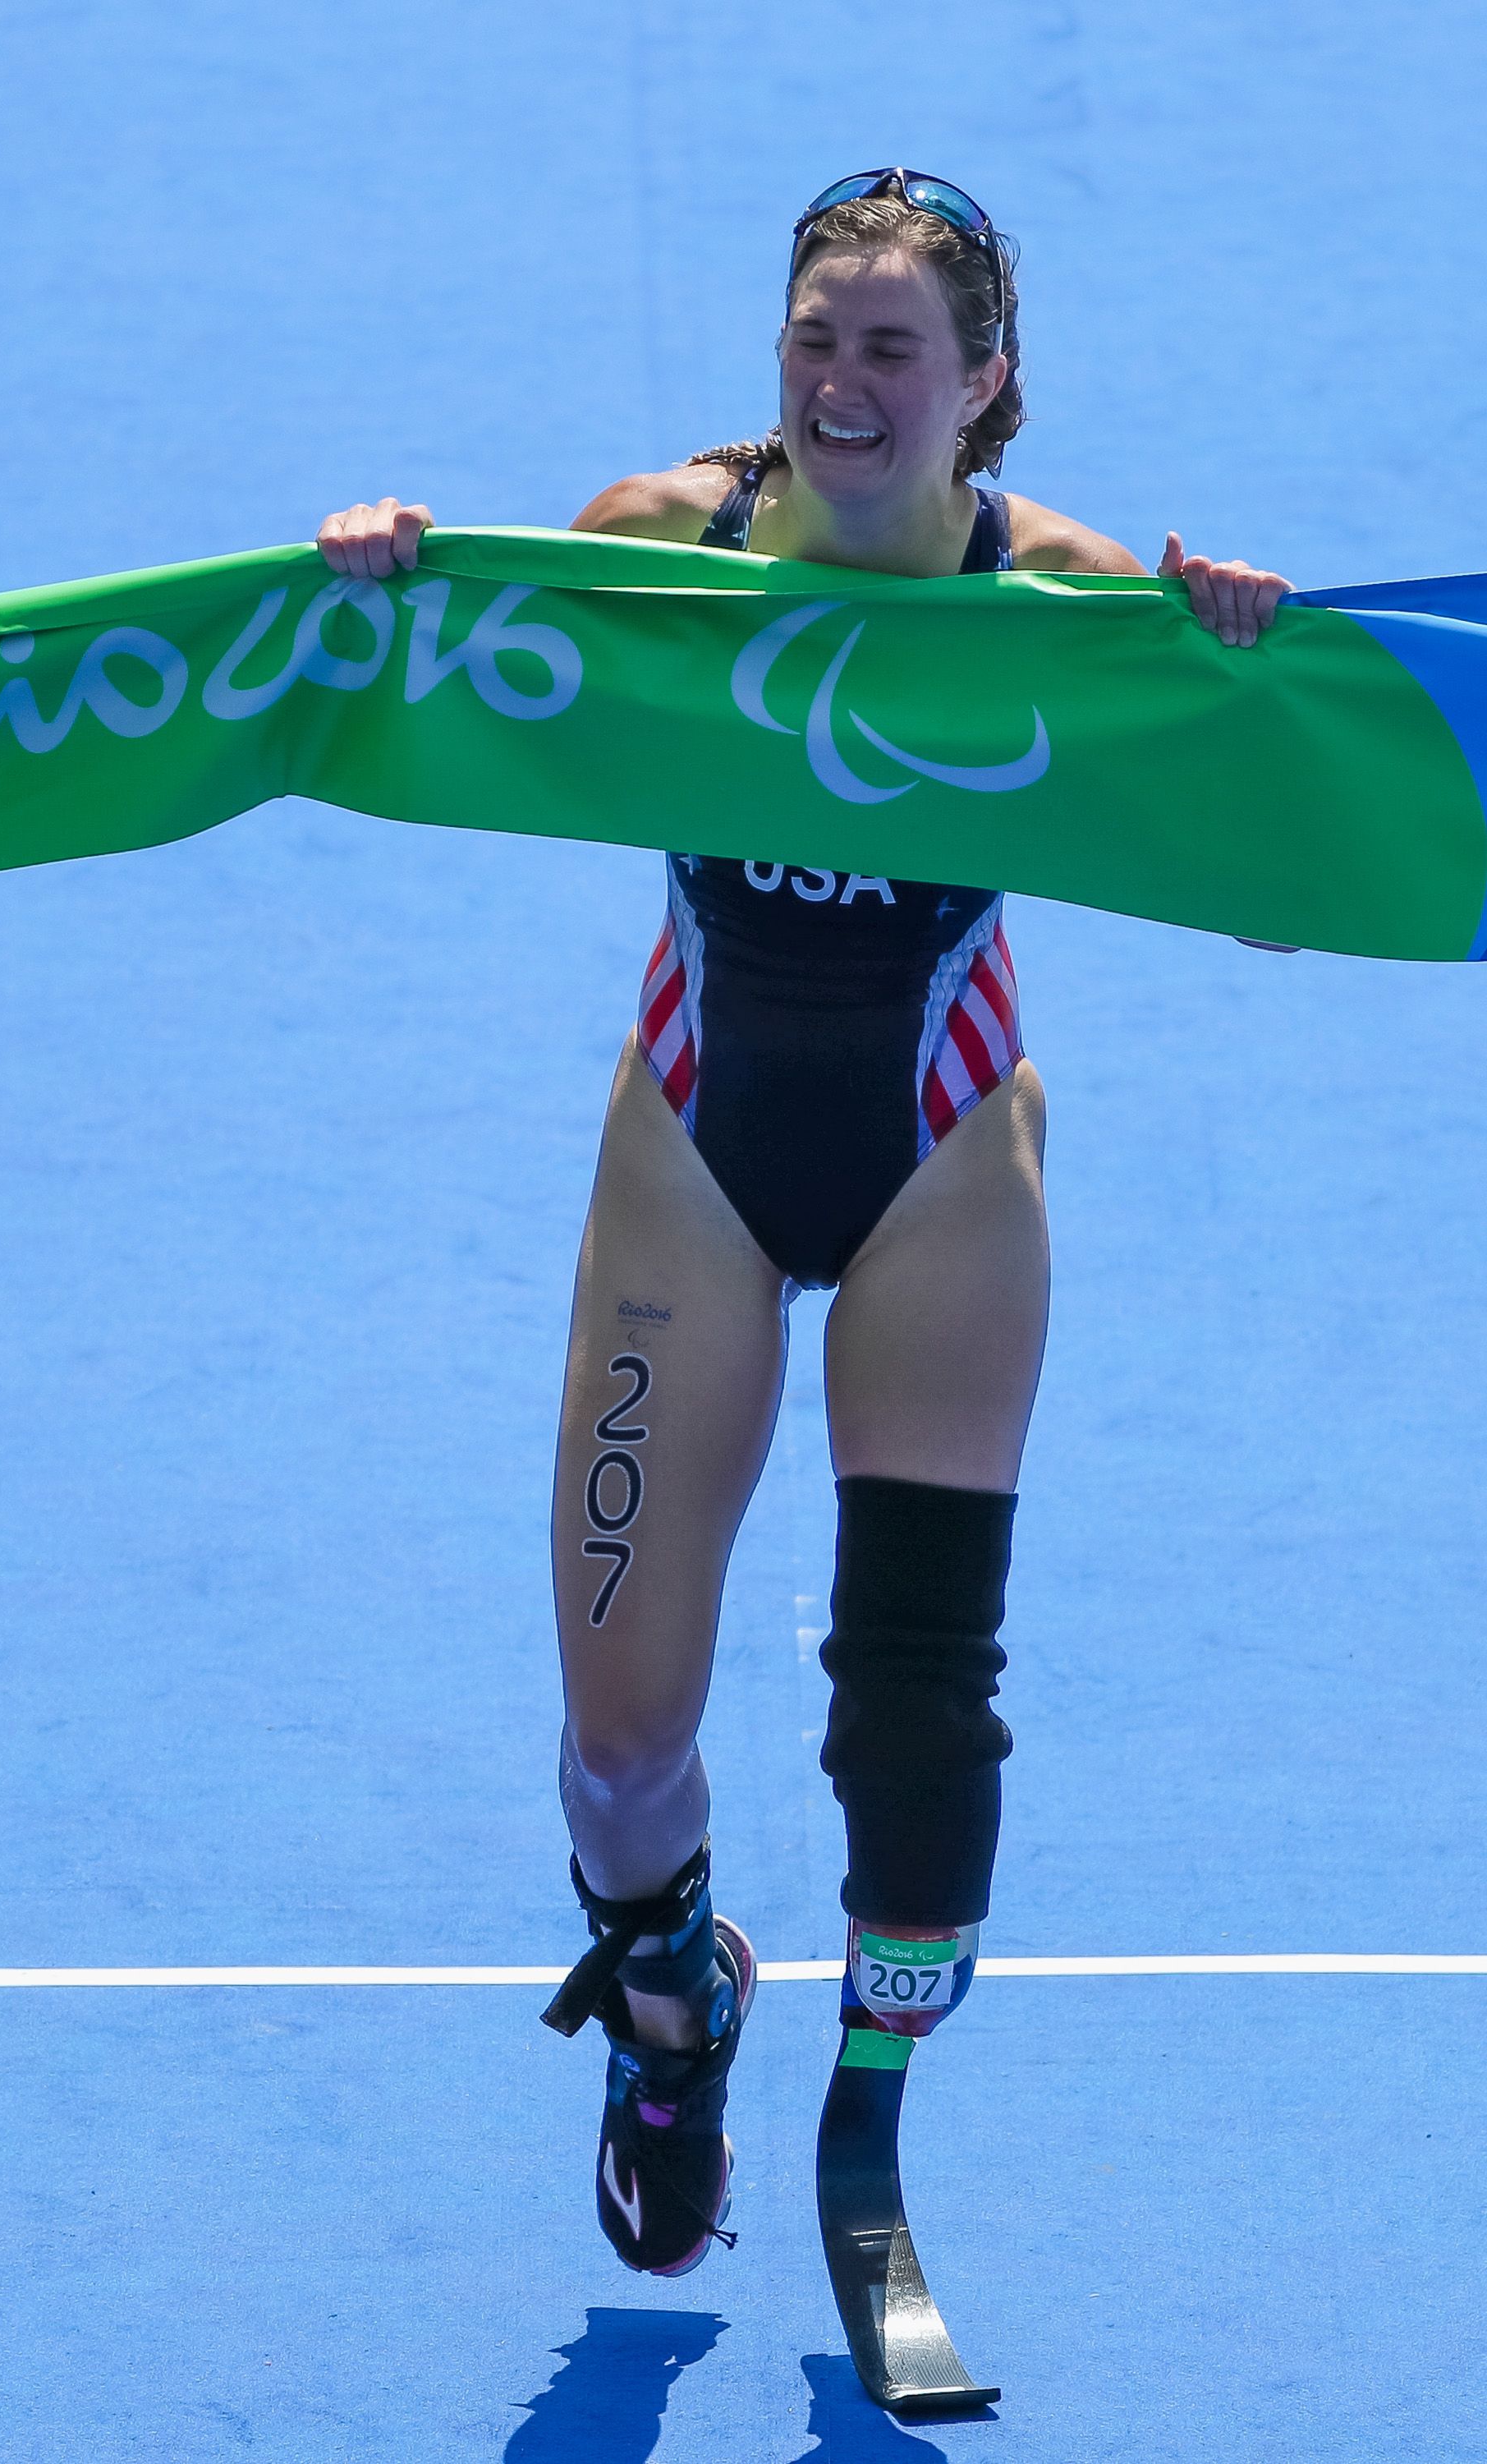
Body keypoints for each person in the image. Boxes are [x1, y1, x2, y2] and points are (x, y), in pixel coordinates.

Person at [319, 168, 1289, 2283]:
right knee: (618, 1740)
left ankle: (874, 2105)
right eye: (812, 340)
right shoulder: (657, 542)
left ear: (982, 385)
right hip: (694, 1142)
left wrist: (1230, 665)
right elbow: (457, 683)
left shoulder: (1064, 599)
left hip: (943, 1152)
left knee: (913, 1715)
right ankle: (670, 2013)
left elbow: (1263, 830)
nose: (841, 386)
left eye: (890, 351)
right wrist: (389, 574)